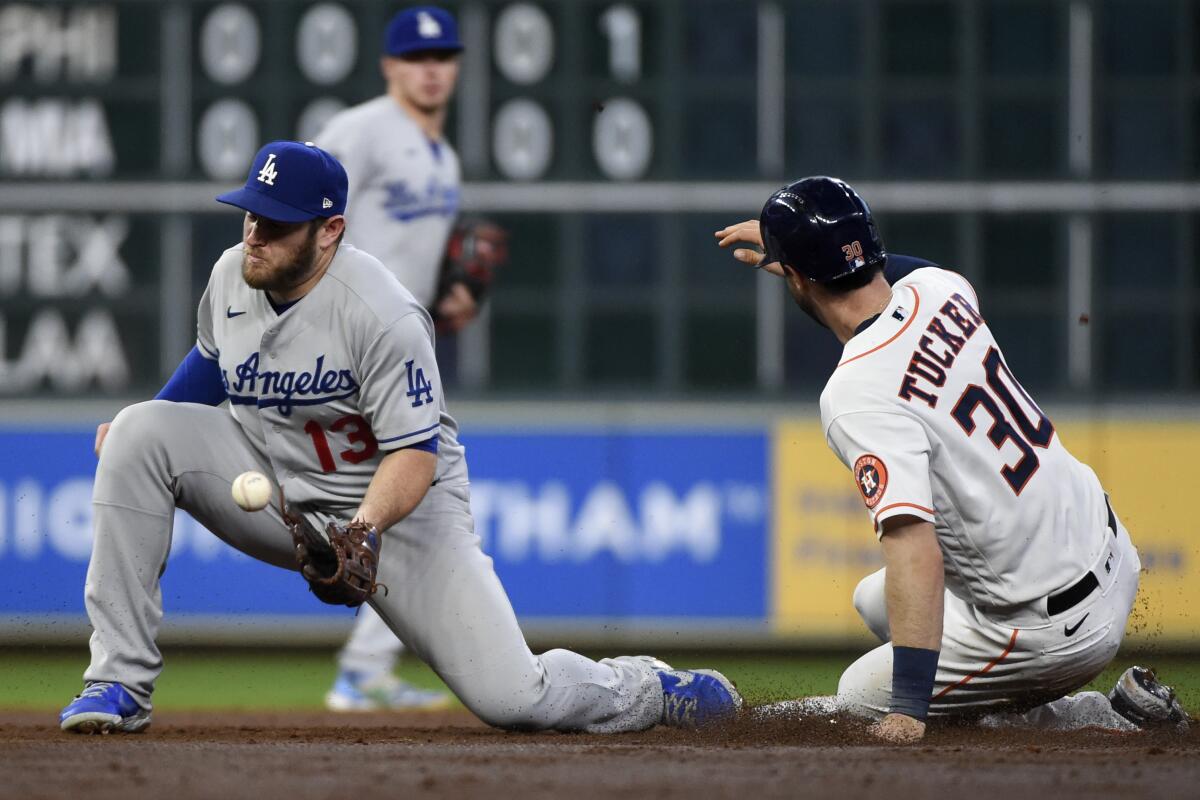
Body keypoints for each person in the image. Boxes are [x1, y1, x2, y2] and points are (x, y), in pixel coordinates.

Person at [58, 140, 741, 735]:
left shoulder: (381, 313)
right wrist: (143, 424)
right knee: (137, 430)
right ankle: (118, 682)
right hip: (278, 489)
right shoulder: (232, 274)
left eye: (277, 224)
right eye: (250, 214)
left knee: (513, 698)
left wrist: (363, 531)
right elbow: (209, 365)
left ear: (329, 231)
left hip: (399, 512)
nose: (255, 234)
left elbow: (415, 453)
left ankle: (645, 686)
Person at [716, 176, 1190, 742]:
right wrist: (807, 260)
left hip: (1047, 629)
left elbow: (913, 543)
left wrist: (908, 709)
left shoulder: (856, 392)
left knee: (859, 696)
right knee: (874, 600)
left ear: (795, 277)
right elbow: (894, 273)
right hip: (1112, 550)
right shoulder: (943, 289)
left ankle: (1107, 717)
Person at [311, 5, 492, 712]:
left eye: (443, 56)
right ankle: (365, 667)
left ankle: (365, 667)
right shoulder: (360, 130)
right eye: (418, 57)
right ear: (389, 66)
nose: (431, 68)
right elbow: (298, 203)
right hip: (342, 337)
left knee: (415, 504)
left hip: (401, 343)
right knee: (430, 495)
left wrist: (452, 299)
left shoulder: (443, 157)